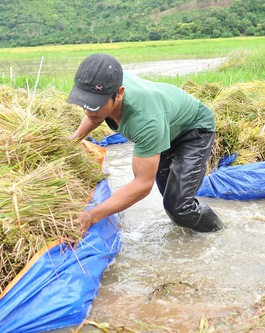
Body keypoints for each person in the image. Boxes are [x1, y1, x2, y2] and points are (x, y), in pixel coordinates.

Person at [67, 53, 225, 236]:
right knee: (169, 196)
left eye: (94, 104)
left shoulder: (145, 119)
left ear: (119, 94)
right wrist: (73, 140)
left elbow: (142, 184)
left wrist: (92, 216)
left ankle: (220, 233)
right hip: (164, 124)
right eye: (84, 102)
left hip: (193, 130)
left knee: (179, 207)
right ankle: (191, 225)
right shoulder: (104, 80)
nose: (87, 110)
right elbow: (94, 114)